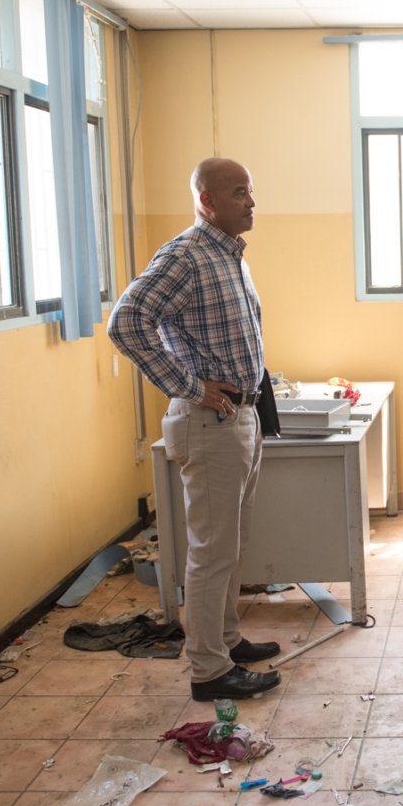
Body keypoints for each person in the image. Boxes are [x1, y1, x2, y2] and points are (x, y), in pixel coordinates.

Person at [108, 157, 281, 701]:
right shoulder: (185, 255)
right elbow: (126, 322)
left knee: (232, 545)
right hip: (209, 422)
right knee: (211, 552)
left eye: (250, 191)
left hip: (240, 416)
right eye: (239, 192)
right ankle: (209, 671)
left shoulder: (228, 255)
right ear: (207, 201)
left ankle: (225, 641)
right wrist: (188, 385)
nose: (251, 202)